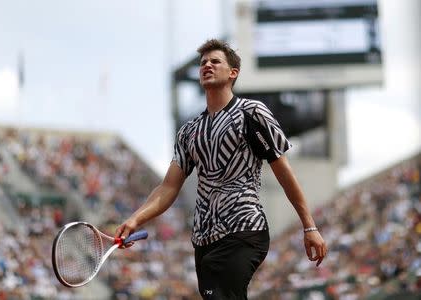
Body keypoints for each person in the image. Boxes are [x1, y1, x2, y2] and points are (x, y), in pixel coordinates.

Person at [116, 39, 327, 299]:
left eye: (215, 61)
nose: (207, 66)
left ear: (233, 73)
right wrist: (135, 218)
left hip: (243, 228)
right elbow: (169, 186)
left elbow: (283, 170)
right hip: (204, 239)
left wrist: (309, 226)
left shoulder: (252, 112)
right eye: (203, 63)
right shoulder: (189, 131)